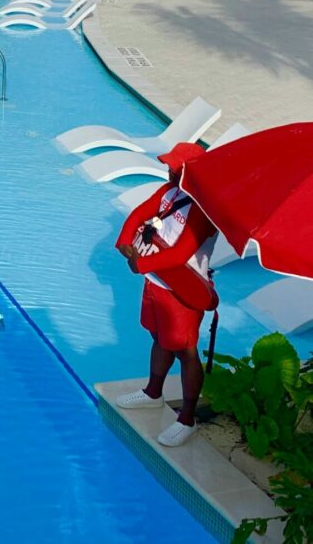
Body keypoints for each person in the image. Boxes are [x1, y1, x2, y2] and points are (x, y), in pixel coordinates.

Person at [114, 142, 218, 447]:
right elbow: (139, 213)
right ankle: (153, 392)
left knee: (186, 352)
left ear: (191, 173)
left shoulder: (203, 211)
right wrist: (124, 242)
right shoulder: (168, 192)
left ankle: (187, 418)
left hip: (181, 293)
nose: (168, 169)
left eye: (175, 166)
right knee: (159, 338)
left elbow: (181, 253)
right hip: (156, 283)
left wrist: (141, 262)